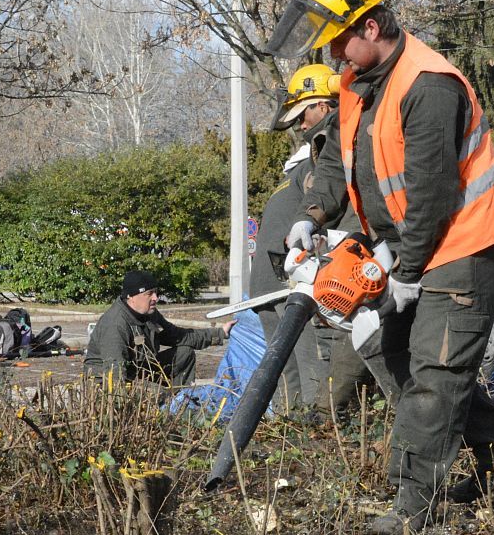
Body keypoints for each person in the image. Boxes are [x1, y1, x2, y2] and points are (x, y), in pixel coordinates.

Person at [266, 0, 494, 535]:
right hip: (412, 240)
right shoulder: (357, 83)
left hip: (464, 242)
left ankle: (413, 510)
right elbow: (336, 160)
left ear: (370, 28)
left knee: (437, 367)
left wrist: (400, 266)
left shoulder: (429, 86)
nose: (331, 58)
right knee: (394, 349)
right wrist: (314, 214)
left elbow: (430, 193)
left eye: (338, 43)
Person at [250, 63, 341, 414]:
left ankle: (300, 433)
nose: (302, 124)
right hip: (275, 281)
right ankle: (300, 433)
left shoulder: (319, 153)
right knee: (294, 367)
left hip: (281, 279)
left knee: (296, 371)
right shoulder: (314, 155)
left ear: (326, 105)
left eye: (304, 113)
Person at [84, 270, 228, 387]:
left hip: (136, 370)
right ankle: (166, 409)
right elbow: (115, 374)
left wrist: (221, 333)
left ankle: (180, 402)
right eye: (149, 294)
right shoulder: (116, 324)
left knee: (184, 353)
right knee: (158, 394)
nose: (156, 298)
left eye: (156, 292)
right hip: (106, 381)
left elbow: (179, 336)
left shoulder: (149, 314)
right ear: (131, 297)